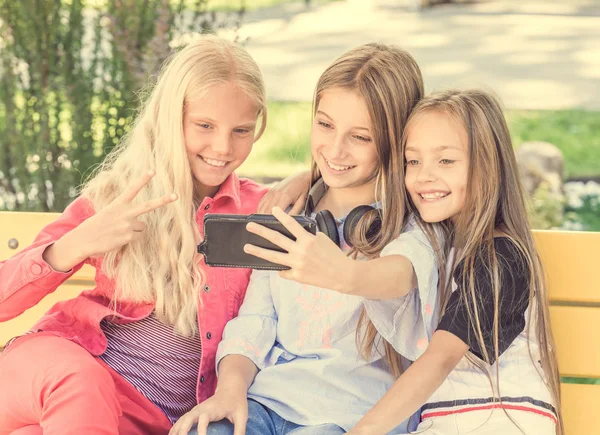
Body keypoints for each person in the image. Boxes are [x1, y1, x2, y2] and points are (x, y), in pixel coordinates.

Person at [0, 35, 305, 434]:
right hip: (59, 369)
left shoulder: (259, 211)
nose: (222, 146)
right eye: (205, 125)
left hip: (143, 418)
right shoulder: (118, 196)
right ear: (169, 118)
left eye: (241, 130)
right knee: (81, 384)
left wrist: (310, 177)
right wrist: (76, 244)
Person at [171, 43, 438, 435]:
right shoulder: (292, 212)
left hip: (349, 415)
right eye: (325, 125)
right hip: (268, 402)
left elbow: (399, 277)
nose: (334, 149)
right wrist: (229, 391)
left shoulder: (411, 229)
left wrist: (340, 271)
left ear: (397, 141)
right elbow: (257, 319)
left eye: (360, 137)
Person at [347, 89, 563, 435]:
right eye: (412, 161)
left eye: (445, 161)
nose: (423, 176)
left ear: (487, 165)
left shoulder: (501, 256)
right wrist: (305, 180)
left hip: (499, 421)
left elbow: (441, 358)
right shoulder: (434, 242)